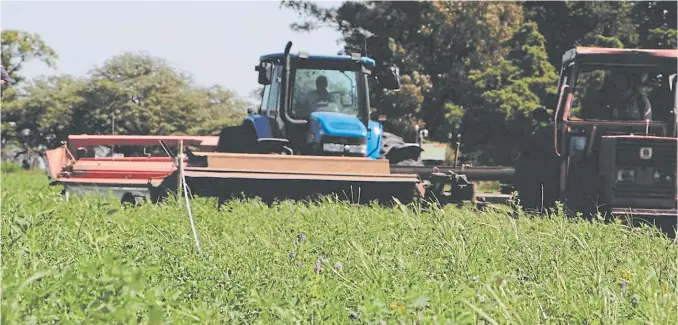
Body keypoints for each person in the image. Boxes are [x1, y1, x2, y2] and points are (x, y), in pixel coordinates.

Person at [584, 70, 652, 121]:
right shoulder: (601, 99)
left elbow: (647, 127)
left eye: (622, 74)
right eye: (615, 75)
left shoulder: (641, 101)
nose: (618, 79)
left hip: (633, 138)